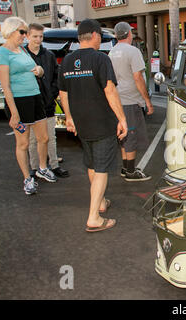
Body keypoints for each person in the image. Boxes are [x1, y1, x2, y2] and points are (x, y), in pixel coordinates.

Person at [58, 19, 128, 232]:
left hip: (81, 122)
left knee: (91, 164)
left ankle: (100, 202)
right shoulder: (100, 59)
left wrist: (69, 117)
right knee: (101, 168)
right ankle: (94, 217)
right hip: (102, 121)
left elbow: (63, 93)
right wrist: (122, 118)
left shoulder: (68, 61)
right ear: (96, 35)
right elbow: (110, 90)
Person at [0, 17, 56, 196]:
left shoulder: (22, 49)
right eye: (22, 32)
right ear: (11, 31)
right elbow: (5, 86)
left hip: (36, 98)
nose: (25, 35)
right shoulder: (2, 53)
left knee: (43, 138)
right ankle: (27, 178)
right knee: (22, 143)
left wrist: (40, 70)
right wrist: (14, 113)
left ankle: (42, 168)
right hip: (19, 102)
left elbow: (38, 69)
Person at [109, 22, 154, 181]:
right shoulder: (133, 51)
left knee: (123, 134)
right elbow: (138, 77)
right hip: (130, 99)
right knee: (131, 135)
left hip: (116, 99)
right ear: (129, 33)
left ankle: (125, 167)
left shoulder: (112, 52)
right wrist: (147, 101)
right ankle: (130, 171)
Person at [25, 23, 69, 179]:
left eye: (41, 36)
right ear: (27, 36)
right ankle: (34, 167)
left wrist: (51, 94)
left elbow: (57, 77)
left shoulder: (49, 55)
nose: (38, 39)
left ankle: (54, 165)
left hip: (48, 104)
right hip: (30, 104)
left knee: (50, 136)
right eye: (35, 36)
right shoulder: (22, 56)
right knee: (32, 140)